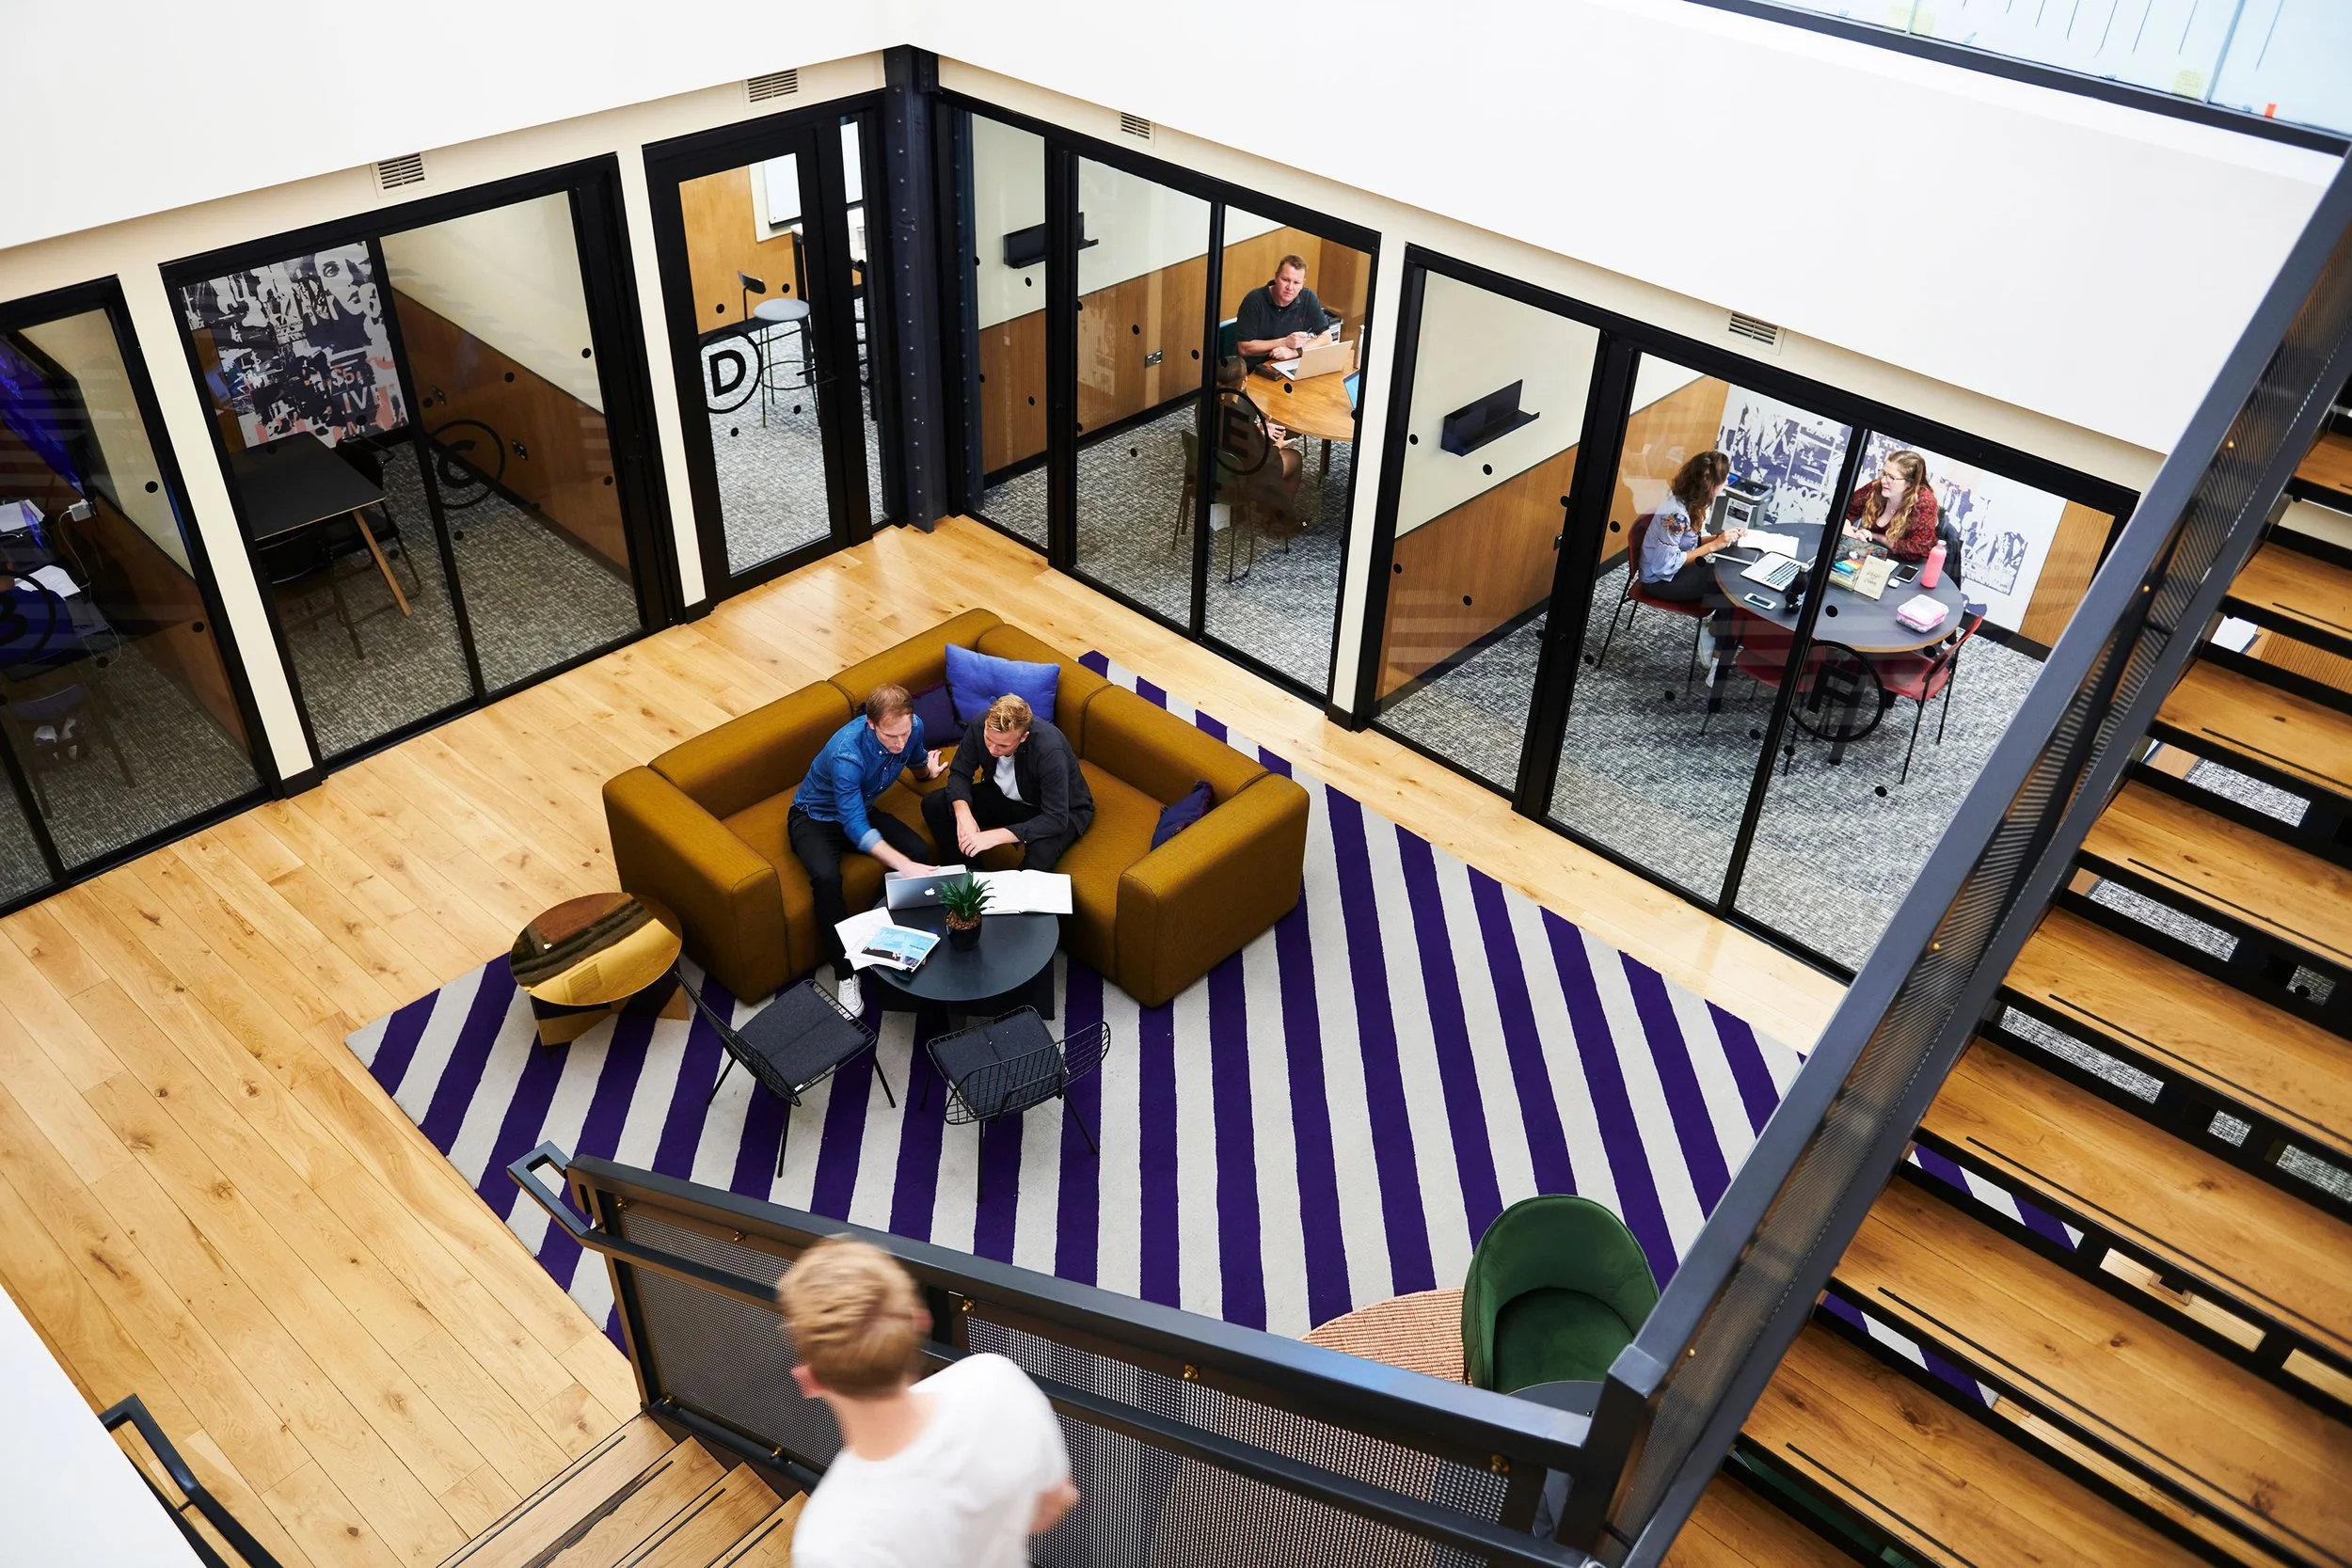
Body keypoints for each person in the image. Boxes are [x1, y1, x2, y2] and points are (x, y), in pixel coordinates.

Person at [777, 1236, 1077, 1568]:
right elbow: (1056, 1502)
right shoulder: (995, 1379)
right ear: (921, 1320)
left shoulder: (828, 1543)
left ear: (811, 1380)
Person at [789, 684, 946, 1015]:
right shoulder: (847, 754)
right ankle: (846, 973)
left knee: (918, 849)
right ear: (871, 724)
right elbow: (856, 828)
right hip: (816, 818)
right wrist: (903, 865)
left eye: (905, 732)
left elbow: (915, 757)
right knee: (827, 879)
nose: (899, 742)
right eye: (891, 736)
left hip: (861, 807)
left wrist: (927, 772)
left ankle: (882, 932)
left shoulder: (912, 727)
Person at [921, 694, 1094, 872]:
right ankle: (969, 876)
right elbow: (960, 773)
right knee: (935, 804)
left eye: (1003, 746)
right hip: (1005, 796)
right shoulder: (980, 725)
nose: (993, 750)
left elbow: (1055, 818)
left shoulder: (1050, 751)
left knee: (1039, 859)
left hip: (1056, 811)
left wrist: (995, 837)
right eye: (989, 740)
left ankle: (1011, 897)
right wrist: (963, 814)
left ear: (1023, 737)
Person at [1637, 450, 1744, 604]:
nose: (1727, 482)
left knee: (1731, 574)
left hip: (1675, 570)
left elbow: (1690, 541)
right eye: (1726, 478)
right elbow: (1665, 566)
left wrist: (1719, 538)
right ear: (1711, 485)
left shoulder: (1697, 501)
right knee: (1730, 585)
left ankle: (1722, 626)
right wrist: (1714, 545)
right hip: (1659, 581)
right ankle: (1720, 628)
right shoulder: (1676, 517)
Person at [1234, 254, 1334, 371]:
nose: (1290, 287)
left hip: (1290, 365)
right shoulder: (1254, 300)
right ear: (1276, 277)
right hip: (1255, 371)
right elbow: (1244, 348)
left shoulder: (1308, 297)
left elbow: (1326, 339)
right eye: (1285, 280)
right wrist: (1285, 342)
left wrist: (1295, 352)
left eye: (1296, 283)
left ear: (1303, 284)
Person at [1843, 448, 1940, 562]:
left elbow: (1918, 549)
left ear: (1911, 483)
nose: (1884, 480)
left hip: (1900, 563)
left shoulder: (1924, 502)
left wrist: (1875, 536)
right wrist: (1852, 538)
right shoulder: (1876, 487)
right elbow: (1840, 512)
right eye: (1884, 474)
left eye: (1892, 478)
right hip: (1867, 554)